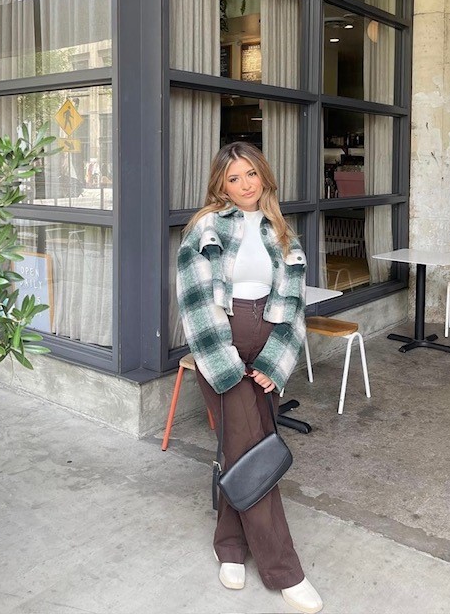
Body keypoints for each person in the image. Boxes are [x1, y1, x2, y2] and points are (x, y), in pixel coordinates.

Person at [176, 142, 323, 614]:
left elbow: (294, 305)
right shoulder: (205, 228)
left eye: (251, 174)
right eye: (233, 177)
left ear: (264, 177)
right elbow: (195, 301)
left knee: (243, 448)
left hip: (268, 341)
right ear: (220, 183)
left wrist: (276, 361)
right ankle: (285, 570)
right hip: (221, 340)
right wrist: (224, 364)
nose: (244, 185)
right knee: (249, 446)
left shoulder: (283, 233)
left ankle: (231, 546)